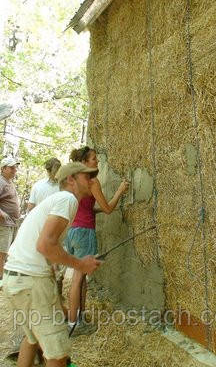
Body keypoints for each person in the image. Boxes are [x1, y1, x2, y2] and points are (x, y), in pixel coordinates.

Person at [2, 162, 101, 367]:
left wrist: (56, 300)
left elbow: (47, 247)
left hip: (17, 280)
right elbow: (45, 245)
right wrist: (81, 265)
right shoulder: (67, 199)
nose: (92, 181)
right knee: (57, 354)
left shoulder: (56, 200)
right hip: (31, 283)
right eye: (87, 177)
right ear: (71, 180)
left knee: (32, 339)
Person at [65, 146, 129, 334]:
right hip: (85, 232)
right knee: (78, 279)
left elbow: (85, 208)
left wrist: (99, 208)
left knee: (82, 278)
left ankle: (81, 317)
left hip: (73, 232)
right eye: (94, 158)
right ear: (85, 162)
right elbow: (109, 209)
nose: (97, 161)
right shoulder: (92, 182)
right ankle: (73, 324)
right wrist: (120, 190)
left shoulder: (74, 181)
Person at [0, 156, 20, 288]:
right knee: (2, 252)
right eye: (11, 167)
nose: (14, 170)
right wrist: (1, 214)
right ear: (3, 168)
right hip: (4, 224)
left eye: (15, 167)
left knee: (7, 253)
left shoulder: (9, 182)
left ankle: (3, 278)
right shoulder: (1, 182)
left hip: (12, 223)